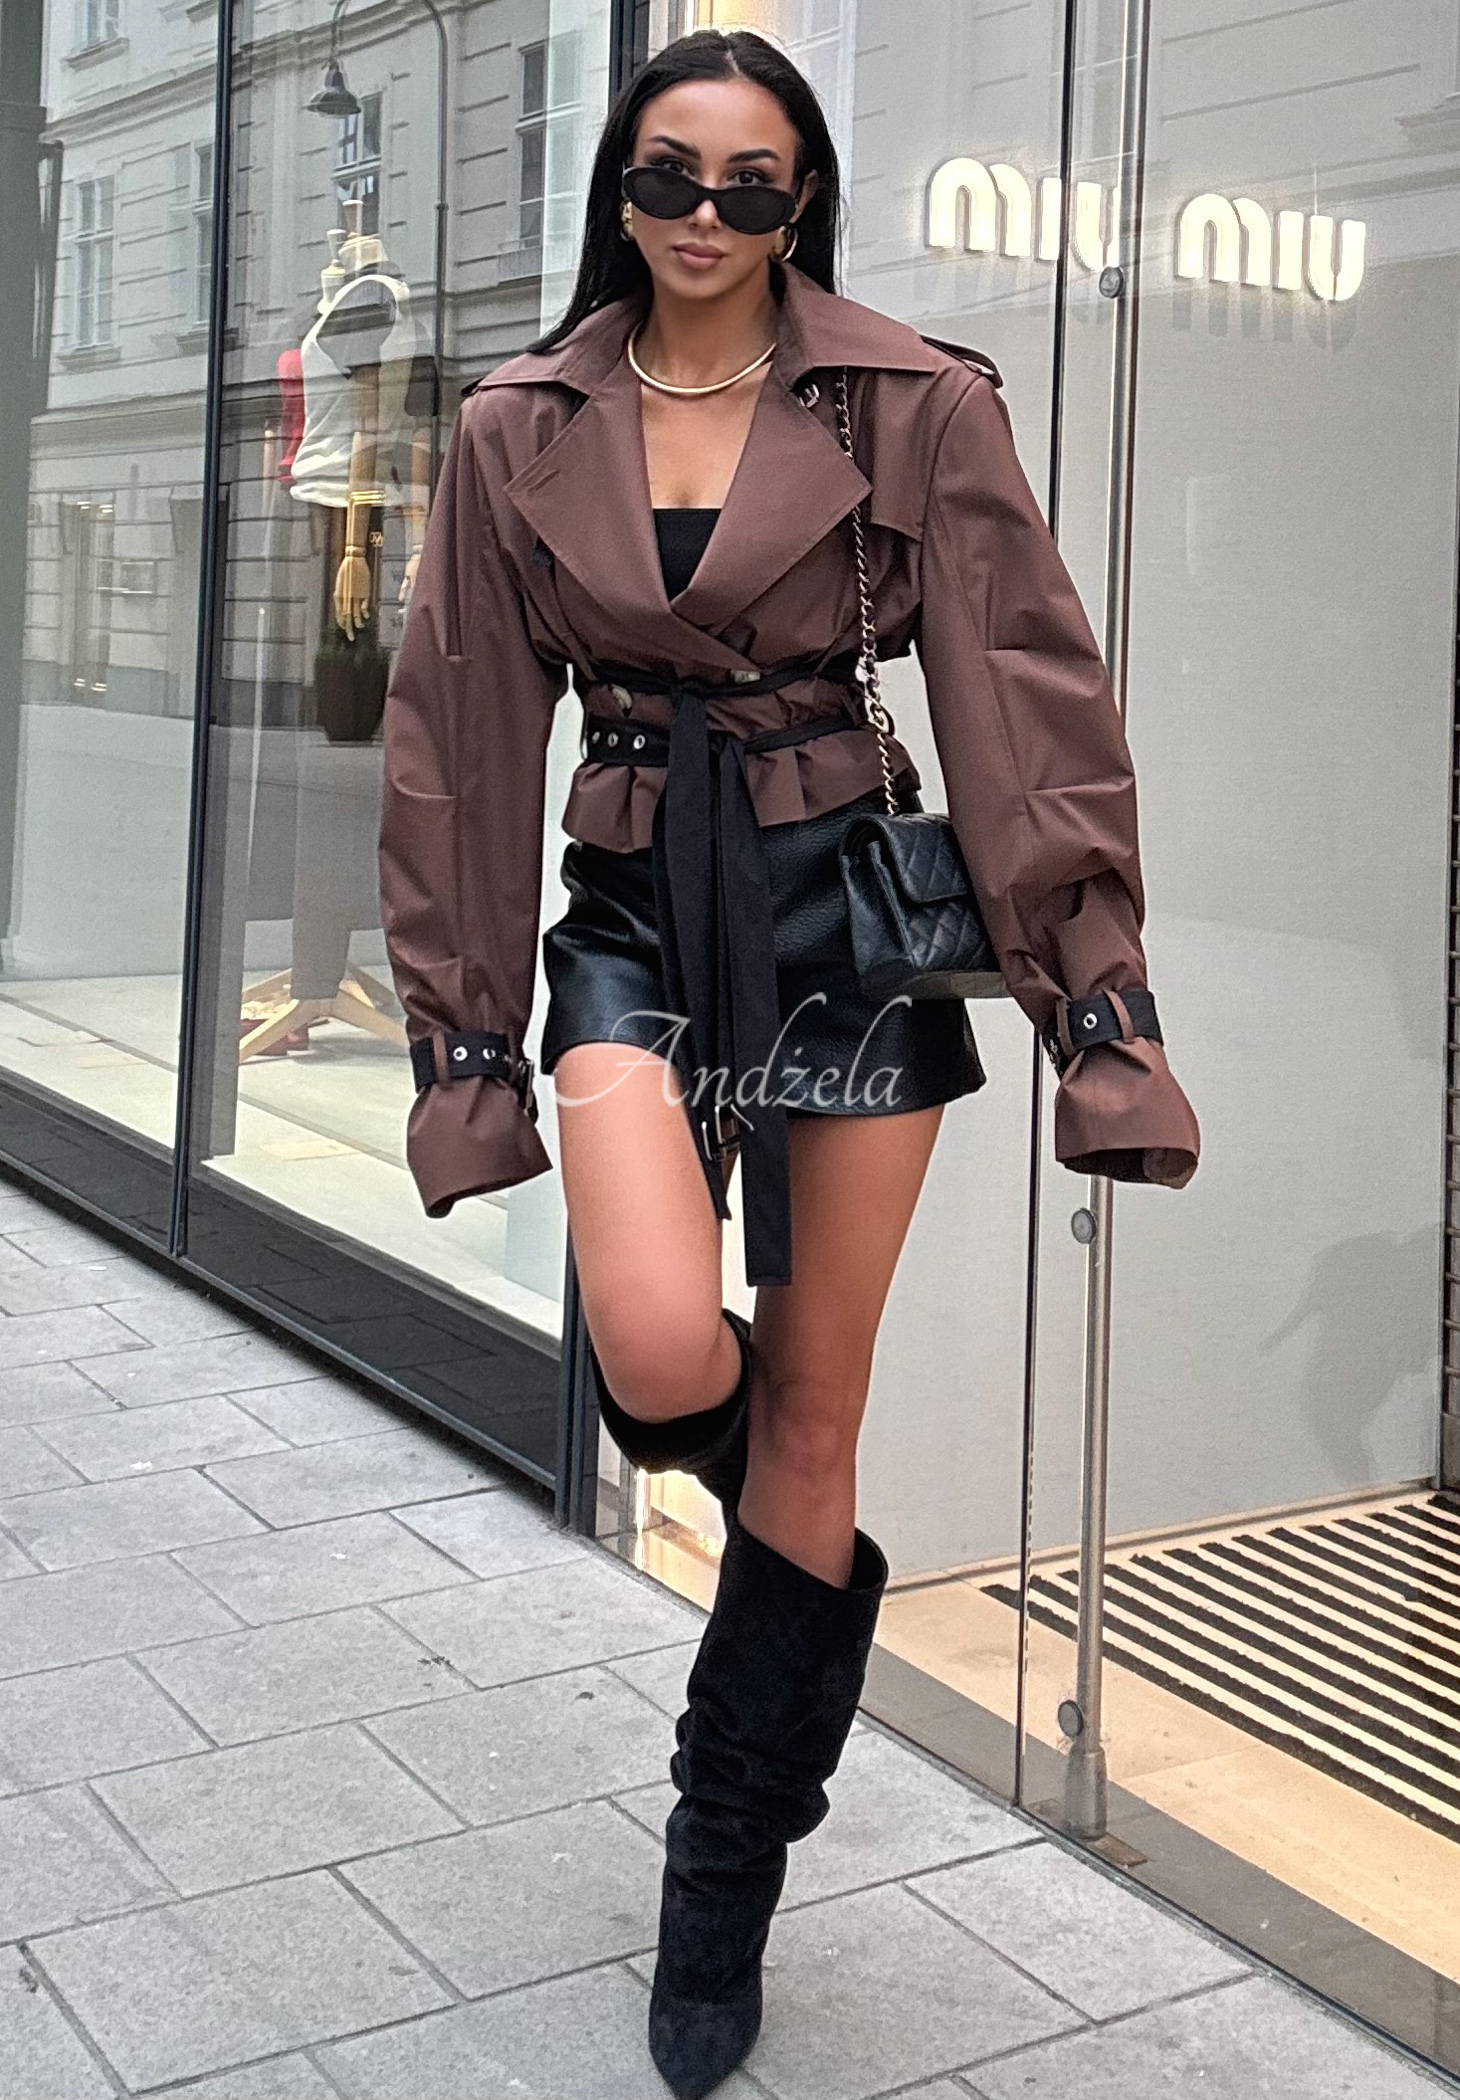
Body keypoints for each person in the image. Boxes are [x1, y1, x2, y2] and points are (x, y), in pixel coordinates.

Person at [377, 26, 1200, 2098]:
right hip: (635, 911)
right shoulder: (517, 422)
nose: (708, 214)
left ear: (802, 199)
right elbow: (458, 734)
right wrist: (465, 1033)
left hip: (848, 919)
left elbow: (1022, 698)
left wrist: (1094, 1003)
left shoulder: (911, 400)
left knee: (813, 1419)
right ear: (620, 187)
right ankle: (804, 1589)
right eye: (671, 173)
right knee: (662, 1346)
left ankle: (718, 1872)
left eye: (754, 182)